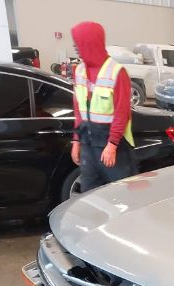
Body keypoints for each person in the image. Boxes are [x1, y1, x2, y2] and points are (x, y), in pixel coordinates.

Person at [70, 21, 137, 191]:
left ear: (90, 43)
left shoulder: (116, 72)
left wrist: (112, 144)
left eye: (79, 43)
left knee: (119, 193)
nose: (76, 47)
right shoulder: (79, 71)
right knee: (90, 193)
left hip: (110, 144)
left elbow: (122, 113)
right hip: (88, 143)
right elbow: (79, 111)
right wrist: (76, 141)